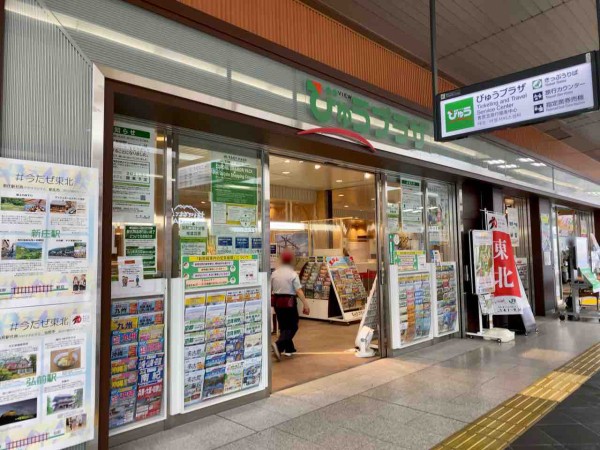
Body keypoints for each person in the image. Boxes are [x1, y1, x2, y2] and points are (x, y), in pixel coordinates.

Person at [271, 250, 310, 360]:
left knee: (284, 326)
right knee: (293, 325)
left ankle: (289, 349)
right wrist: (306, 305)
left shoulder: (274, 273)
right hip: (289, 303)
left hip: (277, 303)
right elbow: (298, 291)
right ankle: (278, 345)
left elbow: (270, 289)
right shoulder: (292, 274)